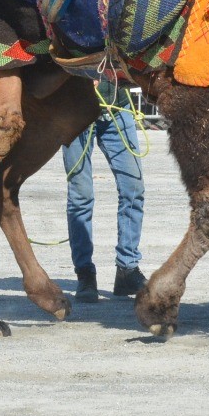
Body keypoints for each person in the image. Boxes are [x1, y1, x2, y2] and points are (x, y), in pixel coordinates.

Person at [61, 79, 146, 302]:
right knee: (81, 196)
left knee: (134, 188)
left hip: (118, 106)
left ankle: (127, 269)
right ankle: (85, 273)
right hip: (75, 109)